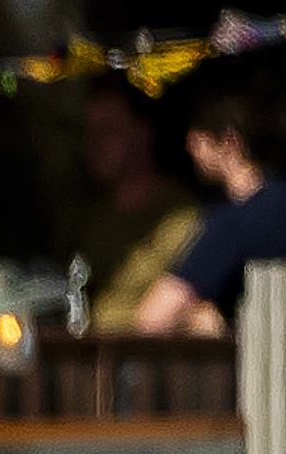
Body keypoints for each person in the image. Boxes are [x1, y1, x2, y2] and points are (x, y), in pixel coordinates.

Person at [135, 72, 286, 337]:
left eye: (200, 133)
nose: (190, 144)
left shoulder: (237, 219)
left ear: (229, 143)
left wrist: (201, 321)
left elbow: (153, 319)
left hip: (264, 370)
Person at [64, 81, 203, 322]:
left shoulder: (180, 218)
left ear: (143, 132)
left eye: (108, 130)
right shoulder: (90, 219)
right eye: (89, 131)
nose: (95, 143)